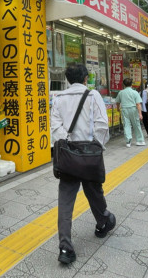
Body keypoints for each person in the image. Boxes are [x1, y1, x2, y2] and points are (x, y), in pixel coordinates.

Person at [51, 64, 116, 264]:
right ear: (86, 78)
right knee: (94, 191)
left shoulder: (59, 98)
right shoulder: (93, 95)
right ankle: (103, 221)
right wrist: (95, 146)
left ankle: (65, 248)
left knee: (65, 200)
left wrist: (68, 145)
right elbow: (102, 125)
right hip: (89, 155)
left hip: (68, 158)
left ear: (68, 80)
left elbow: (55, 128)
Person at [115, 78, 145, 147]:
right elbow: (138, 104)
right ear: (131, 84)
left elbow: (117, 102)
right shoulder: (135, 92)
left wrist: (118, 109)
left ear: (123, 84)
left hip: (124, 109)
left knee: (126, 125)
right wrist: (140, 113)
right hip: (133, 109)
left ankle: (128, 141)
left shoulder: (121, 92)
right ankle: (140, 141)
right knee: (136, 124)